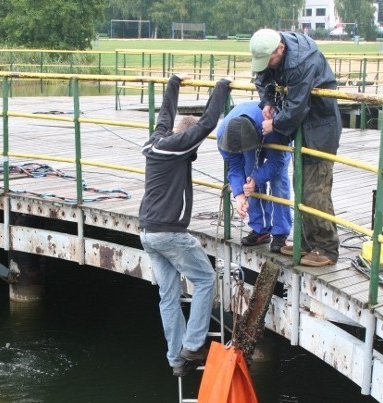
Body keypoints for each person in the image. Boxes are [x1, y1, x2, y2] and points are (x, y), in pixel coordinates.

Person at [139, 73, 233, 377]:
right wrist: (222, 87)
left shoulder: (157, 141)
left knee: (168, 295)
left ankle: (176, 360)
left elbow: (164, 116)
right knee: (205, 279)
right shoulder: (179, 145)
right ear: (186, 141)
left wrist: (174, 84)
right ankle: (193, 345)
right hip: (169, 233)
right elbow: (206, 123)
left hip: (147, 233)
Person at [249, 28, 342, 267]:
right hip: (302, 128)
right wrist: (268, 101)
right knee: (300, 186)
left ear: (280, 49)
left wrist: (275, 123)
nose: (267, 65)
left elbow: (298, 105)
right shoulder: (271, 52)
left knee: (315, 190)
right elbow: (262, 77)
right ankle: (308, 244)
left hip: (321, 128)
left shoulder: (302, 60)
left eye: (269, 60)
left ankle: (327, 248)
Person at [217, 100, 291, 251]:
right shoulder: (222, 135)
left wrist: (257, 179)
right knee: (249, 173)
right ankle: (260, 229)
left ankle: (280, 232)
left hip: (271, 132)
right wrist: (239, 195)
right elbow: (234, 166)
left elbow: (277, 162)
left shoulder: (270, 123)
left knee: (278, 181)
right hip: (248, 136)